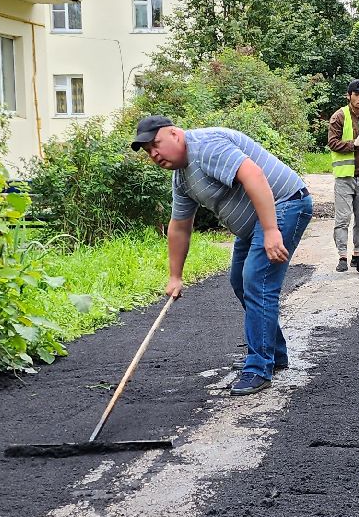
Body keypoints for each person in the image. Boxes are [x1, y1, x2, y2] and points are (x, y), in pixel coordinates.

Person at [132, 115, 313, 396]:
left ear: (175, 134)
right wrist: (175, 276)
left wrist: (271, 230)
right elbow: (180, 226)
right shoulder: (182, 177)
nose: (154, 154)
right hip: (255, 222)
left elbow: (253, 175)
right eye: (148, 151)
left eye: (156, 144)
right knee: (240, 281)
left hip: (285, 203)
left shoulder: (205, 147)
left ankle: (258, 367)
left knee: (257, 280)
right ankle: (273, 353)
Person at [326, 79, 359, 273]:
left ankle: (358, 253)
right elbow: (332, 143)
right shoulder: (338, 117)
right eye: (356, 95)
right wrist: (354, 143)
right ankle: (342, 255)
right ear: (349, 96)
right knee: (342, 218)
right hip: (344, 177)